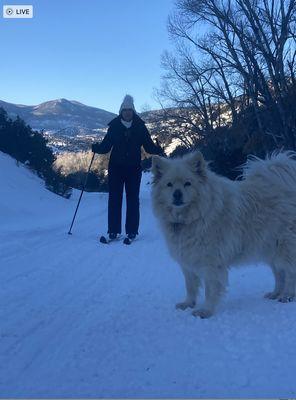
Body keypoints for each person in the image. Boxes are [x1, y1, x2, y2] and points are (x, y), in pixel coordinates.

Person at [92, 94, 164, 243]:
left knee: (132, 199)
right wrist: (97, 148)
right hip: (115, 168)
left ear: (133, 110)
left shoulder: (140, 126)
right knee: (114, 199)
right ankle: (113, 231)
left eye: (129, 109)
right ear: (121, 111)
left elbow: (148, 146)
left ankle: (132, 231)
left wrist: (157, 149)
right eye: (125, 109)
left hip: (133, 168)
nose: (127, 112)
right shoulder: (114, 126)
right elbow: (106, 146)